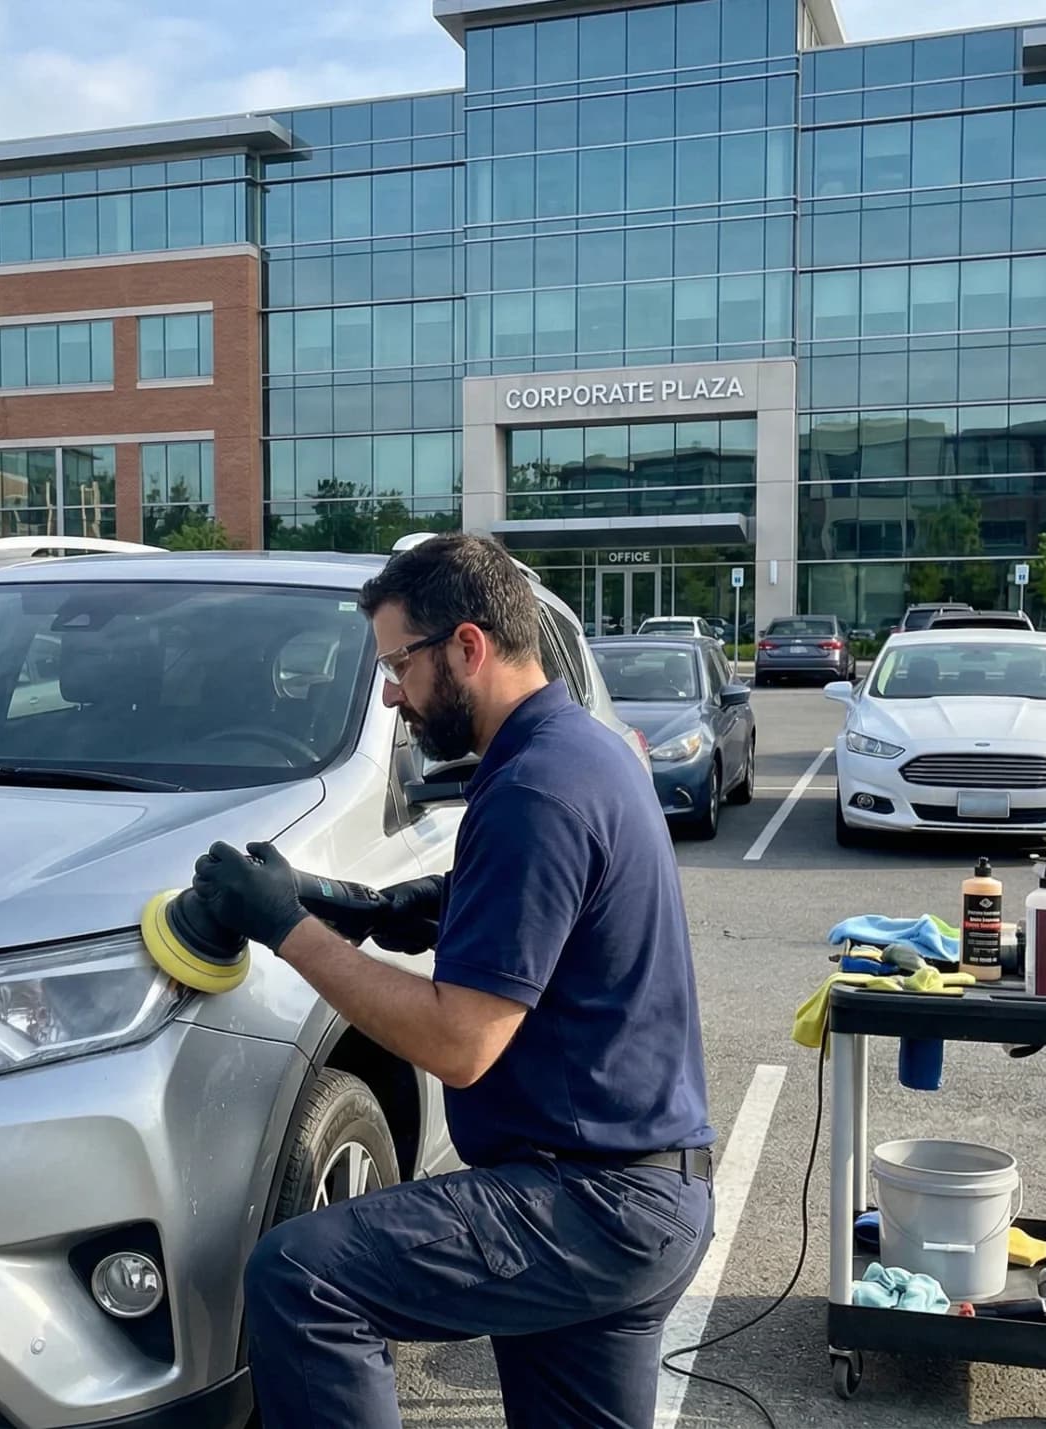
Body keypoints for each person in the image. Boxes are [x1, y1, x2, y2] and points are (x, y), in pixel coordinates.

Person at [187, 533, 716, 1429]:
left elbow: (458, 1041)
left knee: (305, 1276)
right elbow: (530, 909)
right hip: (647, 1194)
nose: (392, 692)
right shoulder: (577, 752)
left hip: (589, 1203)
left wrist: (288, 927)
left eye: (399, 664)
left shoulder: (535, 791)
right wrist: (365, 906)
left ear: (467, 646)